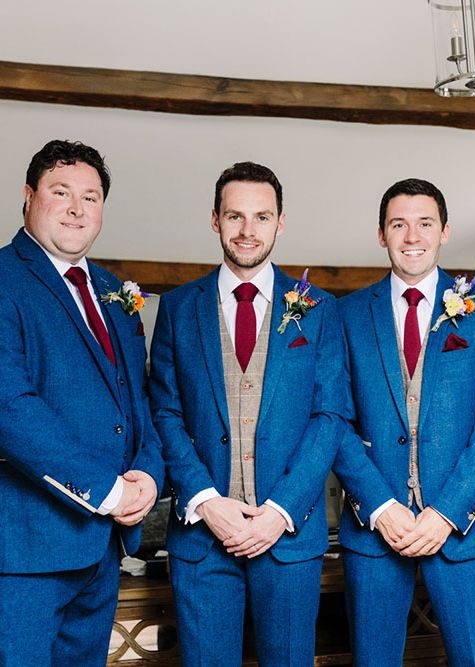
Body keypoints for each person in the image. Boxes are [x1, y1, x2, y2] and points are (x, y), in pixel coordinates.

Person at [0, 139, 164, 666]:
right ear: (28, 197)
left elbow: (135, 399)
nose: (76, 207)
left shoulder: (115, 292)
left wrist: (148, 474)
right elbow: (9, 410)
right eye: (61, 191)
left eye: (90, 197)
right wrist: (108, 491)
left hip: (97, 550)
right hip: (15, 553)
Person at [148, 161, 347, 666]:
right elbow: (165, 413)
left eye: (261, 217)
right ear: (215, 219)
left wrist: (280, 511)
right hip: (202, 536)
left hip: (286, 535)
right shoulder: (177, 308)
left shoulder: (318, 309)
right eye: (235, 216)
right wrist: (207, 500)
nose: (247, 230)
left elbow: (328, 418)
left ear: (280, 222)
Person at [332, 178, 475, 666]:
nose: (412, 236)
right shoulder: (346, 314)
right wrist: (381, 506)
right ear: (381, 235)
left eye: (424, 224)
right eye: (398, 224)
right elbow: (335, 421)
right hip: (375, 529)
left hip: (463, 529)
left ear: (445, 232)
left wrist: (447, 511)